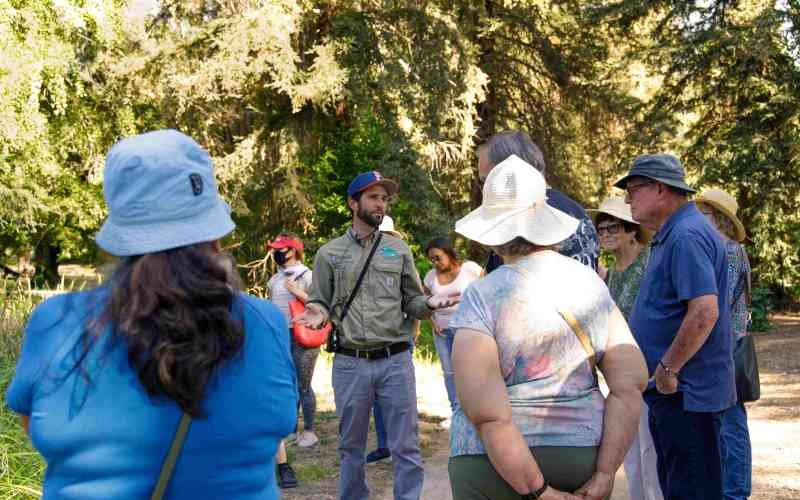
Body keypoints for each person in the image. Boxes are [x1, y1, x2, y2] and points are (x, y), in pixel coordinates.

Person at [5, 130, 297, 499]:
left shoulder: (56, 323)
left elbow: (35, 428)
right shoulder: (264, 323)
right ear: (214, 236)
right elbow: (274, 436)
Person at [448, 155, 648, 500]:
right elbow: (629, 385)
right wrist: (604, 472)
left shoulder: (481, 295)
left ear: (492, 236)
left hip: (486, 464)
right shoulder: (590, 284)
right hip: (576, 456)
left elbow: (488, 413)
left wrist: (539, 492)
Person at [294, 171, 457, 500]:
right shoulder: (329, 253)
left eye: (384, 198)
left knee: (406, 445)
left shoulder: (398, 250)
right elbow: (320, 300)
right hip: (350, 363)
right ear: (353, 203)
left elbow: (412, 300)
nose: (381, 204)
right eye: (373, 197)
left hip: (395, 361)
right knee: (350, 446)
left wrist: (429, 303)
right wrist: (317, 312)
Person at [616, 154, 736, 500]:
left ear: (659, 189)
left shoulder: (685, 235)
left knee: (691, 488)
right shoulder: (679, 232)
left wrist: (668, 369)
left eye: (633, 189)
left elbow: (704, 312)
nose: (627, 200)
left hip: (687, 392)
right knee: (680, 484)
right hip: (680, 393)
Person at [590, 197, 663, 500]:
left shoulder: (649, 264)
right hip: (620, 376)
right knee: (629, 452)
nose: (605, 233)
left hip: (649, 372)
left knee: (651, 452)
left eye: (613, 227)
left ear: (633, 231)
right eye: (601, 228)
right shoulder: (612, 272)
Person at [696, 189, 753, 500]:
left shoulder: (729, 251)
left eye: (703, 214)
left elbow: (720, 302)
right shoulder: (720, 249)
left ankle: (735, 492)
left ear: (718, 219)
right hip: (722, 346)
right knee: (722, 422)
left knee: (731, 423)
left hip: (727, 347)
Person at [477, 130, 599, 272]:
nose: (485, 189)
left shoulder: (520, 217)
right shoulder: (576, 211)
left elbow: (502, 287)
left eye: (487, 180)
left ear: (510, 170)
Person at [366, 215, 421, 465]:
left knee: (400, 401)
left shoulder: (400, 259)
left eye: (387, 237)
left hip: (399, 342)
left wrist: (415, 330)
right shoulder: (364, 265)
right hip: (373, 345)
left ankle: (405, 449)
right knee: (377, 400)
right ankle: (384, 445)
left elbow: (414, 299)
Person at [265, 233, 318, 488]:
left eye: (282, 249)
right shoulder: (274, 278)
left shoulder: (306, 274)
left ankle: (309, 431)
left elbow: (321, 305)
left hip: (303, 333)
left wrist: (297, 292)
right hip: (279, 335)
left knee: (303, 384)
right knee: (286, 384)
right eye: (275, 249)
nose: (277, 253)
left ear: (294, 251)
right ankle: (290, 430)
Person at [422, 237, 483, 424]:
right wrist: (433, 321)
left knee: (472, 369)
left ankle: (478, 410)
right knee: (449, 372)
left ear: (448, 253)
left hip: (468, 329)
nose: (435, 262)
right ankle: (456, 413)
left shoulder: (470, 269)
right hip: (443, 331)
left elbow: (489, 289)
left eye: (438, 257)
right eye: (431, 259)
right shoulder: (430, 277)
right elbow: (424, 302)